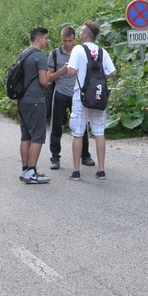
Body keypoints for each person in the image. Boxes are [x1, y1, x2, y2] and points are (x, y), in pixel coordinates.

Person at [65, 21, 115, 180]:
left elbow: (72, 72)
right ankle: (101, 171)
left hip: (81, 96)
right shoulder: (102, 51)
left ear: (85, 35)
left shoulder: (78, 49)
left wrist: (68, 67)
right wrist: (99, 79)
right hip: (99, 95)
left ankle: (76, 171)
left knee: (78, 133)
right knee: (99, 132)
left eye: (81, 31)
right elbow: (112, 72)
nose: (79, 33)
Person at [46, 26, 92, 170]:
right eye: (65, 41)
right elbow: (49, 77)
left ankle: (85, 155)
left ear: (75, 39)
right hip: (60, 92)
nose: (67, 44)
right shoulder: (54, 54)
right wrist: (62, 70)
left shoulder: (81, 52)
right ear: (61, 39)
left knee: (82, 126)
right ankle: (55, 157)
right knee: (56, 126)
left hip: (78, 93)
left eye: (70, 41)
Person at [18, 27, 51, 184]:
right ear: (38, 38)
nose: (47, 41)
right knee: (37, 136)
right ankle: (32, 172)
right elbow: (44, 81)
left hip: (23, 100)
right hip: (35, 101)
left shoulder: (24, 53)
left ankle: (25, 170)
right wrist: (54, 75)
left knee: (26, 136)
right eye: (45, 38)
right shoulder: (40, 56)